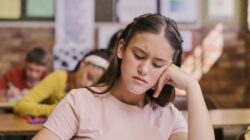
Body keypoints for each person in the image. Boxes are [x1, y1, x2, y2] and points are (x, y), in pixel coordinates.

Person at [33, 13, 214, 140]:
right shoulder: (79, 102)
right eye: (138, 55)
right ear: (121, 49)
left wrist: (192, 87)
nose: (143, 69)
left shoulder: (168, 116)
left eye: (157, 64)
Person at [14, 49, 110, 117]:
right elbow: (21, 105)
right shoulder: (59, 78)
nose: (89, 85)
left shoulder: (97, 91)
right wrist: (54, 110)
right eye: (89, 77)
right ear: (83, 64)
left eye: (96, 84)